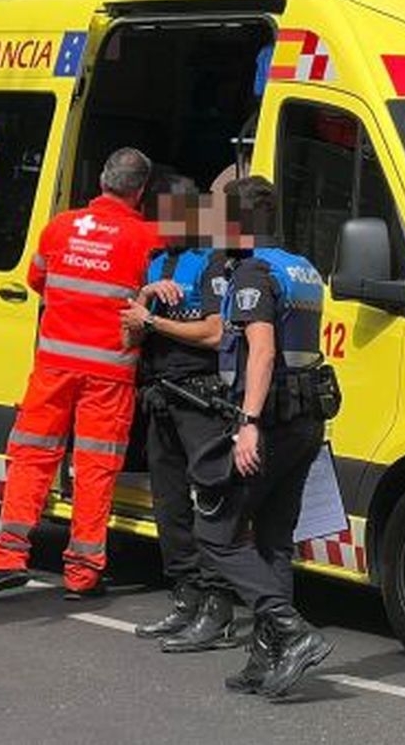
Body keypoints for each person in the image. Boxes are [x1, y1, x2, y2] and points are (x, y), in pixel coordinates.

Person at [0, 147, 159, 601]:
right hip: (108, 374)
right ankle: (84, 572)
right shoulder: (147, 238)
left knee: (30, 458)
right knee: (95, 468)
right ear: (140, 190)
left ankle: (5, 556)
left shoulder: (60, 227)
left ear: (102, 179)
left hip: (53, 368)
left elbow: (37, 280)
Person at [198, 175, 335, 699]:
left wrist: (248, 423)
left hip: (271, 419)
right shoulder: (301, 267)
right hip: (305, 419)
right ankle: (267, 655)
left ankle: (292, 632)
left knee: (217, 532)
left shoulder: (254, 272)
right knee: (275, 538)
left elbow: (262, 351)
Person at [119, 176, 240, 653]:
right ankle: (185, 599)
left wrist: (153, 320)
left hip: (200, 399)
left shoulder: (212, 263)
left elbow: (214, 332)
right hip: (160, 397)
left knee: (210, 504)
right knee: (170, 508)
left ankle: (219, 608)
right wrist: (146, 299)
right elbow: (129, 338)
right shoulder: (155, 263)